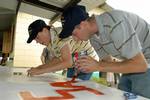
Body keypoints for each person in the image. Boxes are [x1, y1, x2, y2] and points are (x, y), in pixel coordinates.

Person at [59, 5, 150, 98]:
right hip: (133, 61)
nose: (75, 39)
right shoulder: (93, 37)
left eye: (74, 34)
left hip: (146, 61)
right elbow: (107, 62)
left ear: (83, 24)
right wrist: (88, 67)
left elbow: (141, 65)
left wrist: (97, 66)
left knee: (141, 94)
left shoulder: (115, 24)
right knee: (122, 94)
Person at [26, 20, 96, 80]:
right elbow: (58, 59)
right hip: (74, 60)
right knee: (71, 86)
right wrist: (38, 68)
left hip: (85, 60)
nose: (37, 42)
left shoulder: (60, 35)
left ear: (45, 30)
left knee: (79, 89)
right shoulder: (50, 42)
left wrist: (41, 71)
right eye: (35, 40)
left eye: (37, 37)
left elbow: (67, 62)